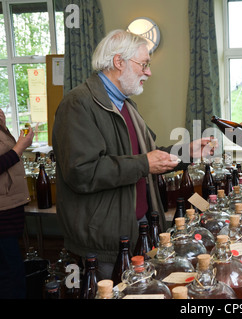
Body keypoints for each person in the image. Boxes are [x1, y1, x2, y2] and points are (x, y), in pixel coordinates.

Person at [52, 29, 213, 280]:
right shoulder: (78, 104)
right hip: (104, 242)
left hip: (138, 230)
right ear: (119, 62)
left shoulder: (126, 103)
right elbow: (82, 172)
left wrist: (186, 152)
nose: (148, 72)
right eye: (144, 64)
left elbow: (147, 156)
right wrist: (144, 163)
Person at [0, 109, 35, 298]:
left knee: (13, 274)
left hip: (10, 215)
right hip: (2, 218)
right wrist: (20, 148)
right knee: (11, 280)